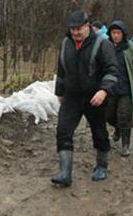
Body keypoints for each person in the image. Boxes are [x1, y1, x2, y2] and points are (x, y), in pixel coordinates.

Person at [51, 11, 118, 186]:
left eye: (78, 29)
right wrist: (59, 92)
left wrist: (103, 91)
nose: (75, 33)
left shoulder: (103, 44)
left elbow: (112, 71)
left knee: (99, 132)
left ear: (87, 26)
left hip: (95, 97)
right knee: (63, 130)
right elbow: (61, 70)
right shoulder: (66, 44)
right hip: (72, 96)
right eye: (72, 29)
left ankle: (102, 166)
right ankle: (65, 173)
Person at [106, 21, 133, 157]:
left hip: (125, 88)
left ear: (123, 34)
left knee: (124, 116)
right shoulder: (105, 47)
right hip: (109, 89)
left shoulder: (132, 48)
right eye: (113, 33)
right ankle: (117, 127)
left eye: (118, 33)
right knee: (108, 115)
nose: (116, 36)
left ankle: (125, 145)